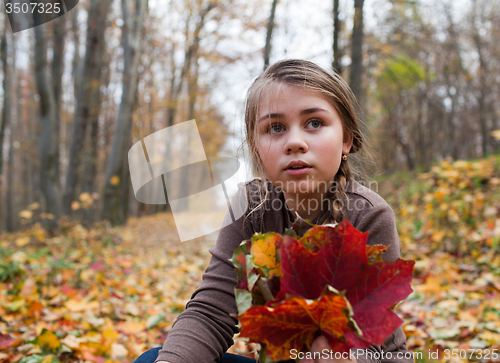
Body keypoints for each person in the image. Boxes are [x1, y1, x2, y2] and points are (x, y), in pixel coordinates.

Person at [135, 59, 414, 363]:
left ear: (346, 139)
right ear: (256, 148)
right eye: (276, 128)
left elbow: (372, 339)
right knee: (155, 358)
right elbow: (213, 311)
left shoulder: (370, 216)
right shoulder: (251, 208)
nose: (295, 142)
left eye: (315, 123)